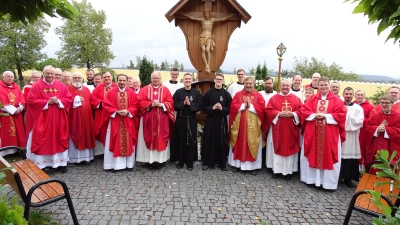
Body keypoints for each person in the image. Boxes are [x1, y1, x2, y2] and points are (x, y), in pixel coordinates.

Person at [300, 76, 346, 190]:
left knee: (328, 154)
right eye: (321, 85)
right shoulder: (312, 98)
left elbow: (342, 114)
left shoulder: (337, 100)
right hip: (313, 133)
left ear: (329, 86)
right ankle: (311, 179)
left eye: (325, 85)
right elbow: (304, 111)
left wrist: (326, 116)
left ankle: (327, 183)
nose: (323, 87)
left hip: (329, 134)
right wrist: (315, 116)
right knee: (312, 152)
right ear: (318, 86)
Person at [26, 65, 73, 172]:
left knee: (59, 139)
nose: (50, 75)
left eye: (52, 73)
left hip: (58, 118)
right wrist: (47, 102)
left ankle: (61, 164)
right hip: (42, 119)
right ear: (43, 74)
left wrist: (58, 101)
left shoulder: (61, 86)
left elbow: (69, 98)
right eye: (48, 73)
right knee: (42, 140)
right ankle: (43, 165)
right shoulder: (37, 86)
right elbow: (31, 100)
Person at [137, 71, 175, 169]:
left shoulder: (165, 90)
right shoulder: (145, 89)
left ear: (160, 79)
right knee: (148, 137)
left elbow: (170, 103)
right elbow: (140, 102)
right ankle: (148, 161)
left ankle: (160, 161)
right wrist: (150, 104)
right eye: (154, 78)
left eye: (157, 78)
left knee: (161, 138)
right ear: (151, 79)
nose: (155, 80)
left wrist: (162, 104)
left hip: (161, 121)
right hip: (148, 120)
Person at [265, 79, 302, 179]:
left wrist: (293, 114)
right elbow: (268, 111)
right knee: (276, 146)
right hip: (277, 128)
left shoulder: (296, 99)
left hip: (291, 129)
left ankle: (288, 171)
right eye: (283, 85)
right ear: (280, 86)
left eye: (287, 85)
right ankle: (276, 170)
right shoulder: (273, 98)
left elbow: (301, 110)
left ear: (290, 86)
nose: (285, 87)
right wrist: (278, 114)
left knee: (289, 147)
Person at [228, 76, 265, 175]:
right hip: (239, 126)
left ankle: (253, 166)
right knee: (238, 143)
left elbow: (262, 108)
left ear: (253, 84)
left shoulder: (258, 95)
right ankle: (237, 165)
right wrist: (243, 106)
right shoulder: (238, 95)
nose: (248, 85)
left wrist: (251, 106)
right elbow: (232, 106)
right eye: (246, 83)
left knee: (252, 144)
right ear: (244, 84)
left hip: (253, 127)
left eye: (250, 83)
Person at [102, 74, 138, 172]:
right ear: (117, 81)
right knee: (114, 140)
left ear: (127, 81)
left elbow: (136, 105)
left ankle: (129, 164)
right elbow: (105, 105)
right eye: (120, 80)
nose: (122, 82)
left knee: (128, 141)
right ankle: (114, 165)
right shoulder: (111, 93)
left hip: (128, 121)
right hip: (115, 121)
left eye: (123, 80)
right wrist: (115, 111)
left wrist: (128, 111)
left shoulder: (131, 93)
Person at [181, 9, 234, 73]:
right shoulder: (202, 20)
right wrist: (186, 15)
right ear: (204, 14)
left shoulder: (212, 20)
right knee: (203, 50)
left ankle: (208, 64)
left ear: (209, 14)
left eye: (208, 13)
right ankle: (206, 65)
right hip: (202, 37)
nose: (207, 15)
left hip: (208, 37)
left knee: (207, 50)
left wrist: (229, 16)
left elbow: (222, 19)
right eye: (205, 14)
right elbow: (193, 18)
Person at [171, 73, 203, 170]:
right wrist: (183, 103)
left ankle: (190, 162)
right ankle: (181, 161)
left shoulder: (196, 93)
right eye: (186, 79)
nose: (188, 80)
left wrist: (190, 104)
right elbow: (174, 104)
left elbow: (200, 105)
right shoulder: (178, 92)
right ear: (183, 80)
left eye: (189, 79)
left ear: (192, 80)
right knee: (181, 140)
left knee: (191, 141)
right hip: (181, 119)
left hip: (191, 120)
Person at [201, 73, 232, 171]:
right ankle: (207, 162)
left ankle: (222, 163)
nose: (219, 81)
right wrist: (212, 108)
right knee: (209, 141)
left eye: (221, 79)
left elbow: (230, 108)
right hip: (211, 120)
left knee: (222, 142)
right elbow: (203, 107)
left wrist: (222, 108)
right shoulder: (209, 93)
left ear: (223, 81)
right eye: (217, 79)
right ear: (214, 80)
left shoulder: (226, 94)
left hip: (221, 121)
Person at [66, 72, 95, 164]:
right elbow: (65, 101)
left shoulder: (86, 90)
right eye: (75, 78)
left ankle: (87, 158)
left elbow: (92, 101)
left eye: (79, 77)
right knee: (76, 134)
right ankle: (74, 158)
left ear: (82, 79)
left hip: (87, 118)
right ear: (72, 79)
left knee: (86, 135)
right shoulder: (67, 89)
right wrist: (76, 99)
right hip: (74, 118)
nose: (77, 79)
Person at [365, 95, 400, 168]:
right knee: (375, 163)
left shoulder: (398, 116)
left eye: (387, 103)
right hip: (376, 145)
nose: (384, 105)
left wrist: (386, 130)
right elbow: (368, 127)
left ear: (392, 103)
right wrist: (377, 129)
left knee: (388, 165)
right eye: (382, 102)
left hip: (390, 146)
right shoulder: (375, 115)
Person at [339, 87, 364, 188]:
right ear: (343, 94)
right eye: (346, 94)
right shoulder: (338, 106)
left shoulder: (358, 108)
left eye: (350, 94)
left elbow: (359, 122)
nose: (348, 96)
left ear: (353, 95)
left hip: (351, 136)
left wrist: (347, 114)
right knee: (339, 155)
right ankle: (338, 177)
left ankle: (348, 179)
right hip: (339, 134)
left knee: (349, 157)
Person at [90, 71, 117, 156]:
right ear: (102, 78)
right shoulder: (98, 88)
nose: (107, 78)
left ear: (112, 77)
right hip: (101, 114)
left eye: (108, 77)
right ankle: (102, 151)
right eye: (105, 77)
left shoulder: (117, 87)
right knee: (102, 131)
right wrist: (102, 103)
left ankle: (113, 149)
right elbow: (93, 99)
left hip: (114, 115)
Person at [0, 71, 26, 156]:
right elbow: (1, 101)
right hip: (6, 114)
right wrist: (13, 110)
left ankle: (17, 149)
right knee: (7, 132)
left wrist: (20, 108)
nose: (10, 78)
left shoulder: (16, 87)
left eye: (11, 76)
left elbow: (22, 99)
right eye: (8, 76)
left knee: (18, 131)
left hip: (17, 114)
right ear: (3, 77)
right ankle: (6, 152)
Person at [258, 76, 276, 168]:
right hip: (261, 120)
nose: (268, 85)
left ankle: (269, 161)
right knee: (261, 139)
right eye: (266, 83)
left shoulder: (277, 95)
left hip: (272, 121)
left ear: (273, 84)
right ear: (264, 84)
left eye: (269, 83)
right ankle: (261, 160)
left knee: (270, 140)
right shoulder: (259, 94)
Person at [354, 90, 374, 168]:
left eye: (361, 95)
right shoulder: (351, 105)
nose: (360, 96)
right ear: (355, 96)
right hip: (352, 131)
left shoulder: (370, 107)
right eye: (358, 94)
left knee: (361, 148)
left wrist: (360, 120)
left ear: (364, 96)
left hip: (363, 131)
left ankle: (360, 168)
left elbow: (372, 120)